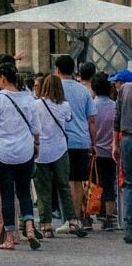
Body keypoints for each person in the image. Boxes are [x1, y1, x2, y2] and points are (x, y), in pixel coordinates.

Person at [0, 61, 41, 251]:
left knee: (7, 194)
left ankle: (9, 237)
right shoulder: (29, 98)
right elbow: (36, 127)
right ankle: (29, 228)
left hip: (2, 153)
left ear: (2, 78)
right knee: (24, 192)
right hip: (25, 151)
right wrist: (36, 144)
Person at [33, 73, 82, 237]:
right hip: (60, 149)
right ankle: (72, 220)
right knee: (64, 186)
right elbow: (68, 119)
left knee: (43, 189)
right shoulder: (65, 106)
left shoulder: (37, 105)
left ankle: (46, 224)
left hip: (41, 151)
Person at [55, 53, 97, 229]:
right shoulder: (83, 90)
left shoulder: (55, 89)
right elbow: (92, 120)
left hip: (62, 140)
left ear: (57, 69)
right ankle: (77, 218)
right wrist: (93, 142)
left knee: (64, 182)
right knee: (78, 181)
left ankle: (69, 218)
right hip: (81, 140)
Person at [91, 73, 118, 231]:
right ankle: (109, 217)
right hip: (110, 151)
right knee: (109, 183)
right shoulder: (114, 106)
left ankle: (90, 214)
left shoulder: (92, 105)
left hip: (94, 151)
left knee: (92, 184)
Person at [111, 70, 132, 243]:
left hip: (127, 139)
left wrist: (115, 144)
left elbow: (116, 118)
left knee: (129, 184)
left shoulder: (124, 89)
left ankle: (129, 227)